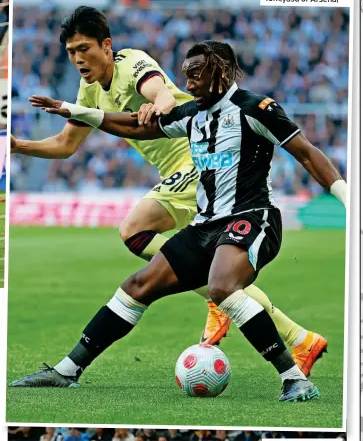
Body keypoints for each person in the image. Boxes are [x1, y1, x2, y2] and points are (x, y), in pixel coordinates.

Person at [11, 40, 347, 401]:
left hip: (251, 218)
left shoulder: (256, 108)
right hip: (205, 226)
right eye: (186, 76)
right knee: (138, 286)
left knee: (221, 287)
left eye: (196, 75)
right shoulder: (192, 115)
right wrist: (72, 109)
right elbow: (136, 127)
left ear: (222, 70)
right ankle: (67, 370)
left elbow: (308, 155)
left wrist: (348, 199)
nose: (187, 84)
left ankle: (295, 378)